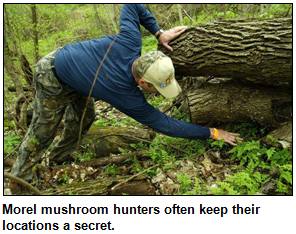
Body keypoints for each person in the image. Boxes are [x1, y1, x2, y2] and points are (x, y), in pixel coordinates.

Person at [10, 4, 242, 183]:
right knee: (42, 132)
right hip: (52, 74)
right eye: (157, 89)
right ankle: (19, 180)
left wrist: (158, 32)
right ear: (142, 82)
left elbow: (132, 4)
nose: (157, 95)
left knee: (85, 117)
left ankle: (59, 158)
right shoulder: (125, 95)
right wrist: (212, 133)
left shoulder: (131, 42)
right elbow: (165, 125)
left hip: (81, 78)